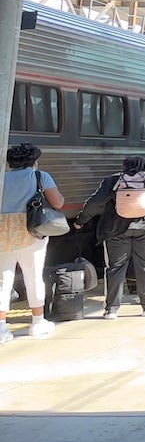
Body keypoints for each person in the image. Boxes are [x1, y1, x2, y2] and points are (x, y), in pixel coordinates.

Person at [79, 156, 145, 318]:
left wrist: (81, 220)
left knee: (115, 268)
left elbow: (95, 202)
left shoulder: (112, 181)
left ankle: (111, 309)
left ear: (124, 166)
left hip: (116, 230)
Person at [1, 142, 68, 341]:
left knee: (3, 281)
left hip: (3, 231)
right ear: (34, 161)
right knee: (33, 276)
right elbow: (58, 203)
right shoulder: (40, 176)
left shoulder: (2, 178)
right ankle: (37, 322)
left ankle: (2, 329)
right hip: (30, 232)